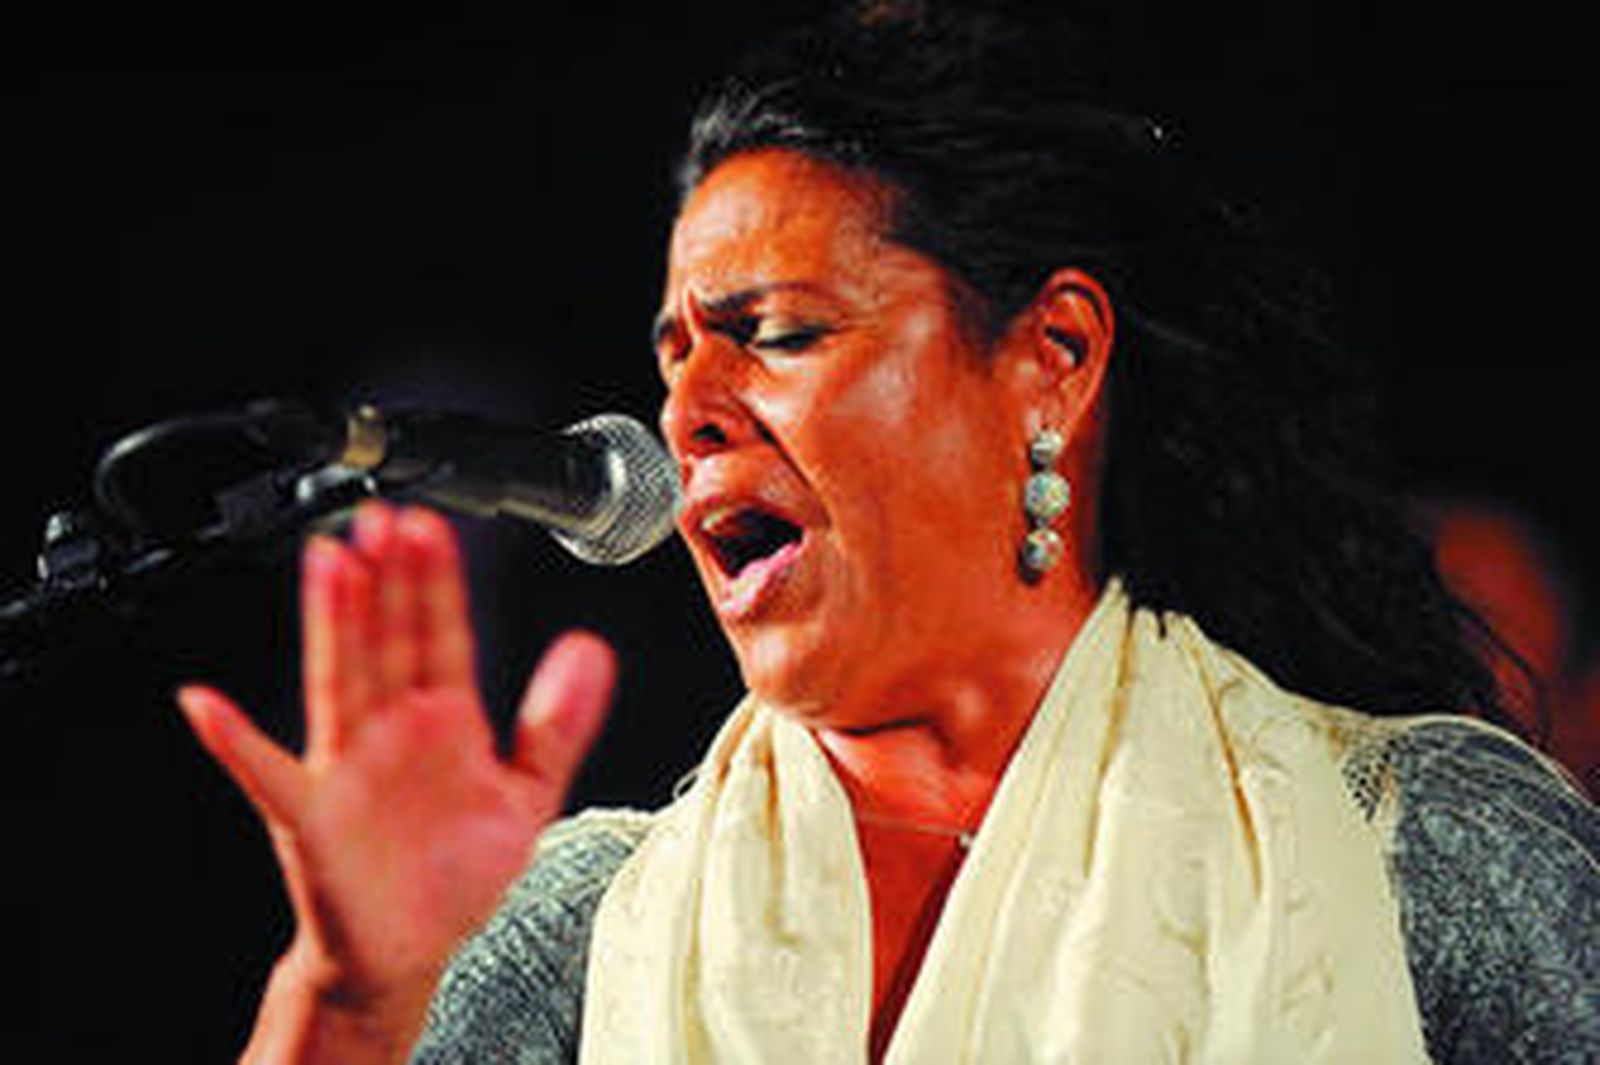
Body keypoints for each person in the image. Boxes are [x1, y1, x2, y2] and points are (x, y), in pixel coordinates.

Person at [177, 5, 1598, 1062]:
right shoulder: (583, 928)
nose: (687, 414)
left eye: (777, 333)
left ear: (1052, 358)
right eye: (674, 356)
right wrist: (351, 1006)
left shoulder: (1421, 848)